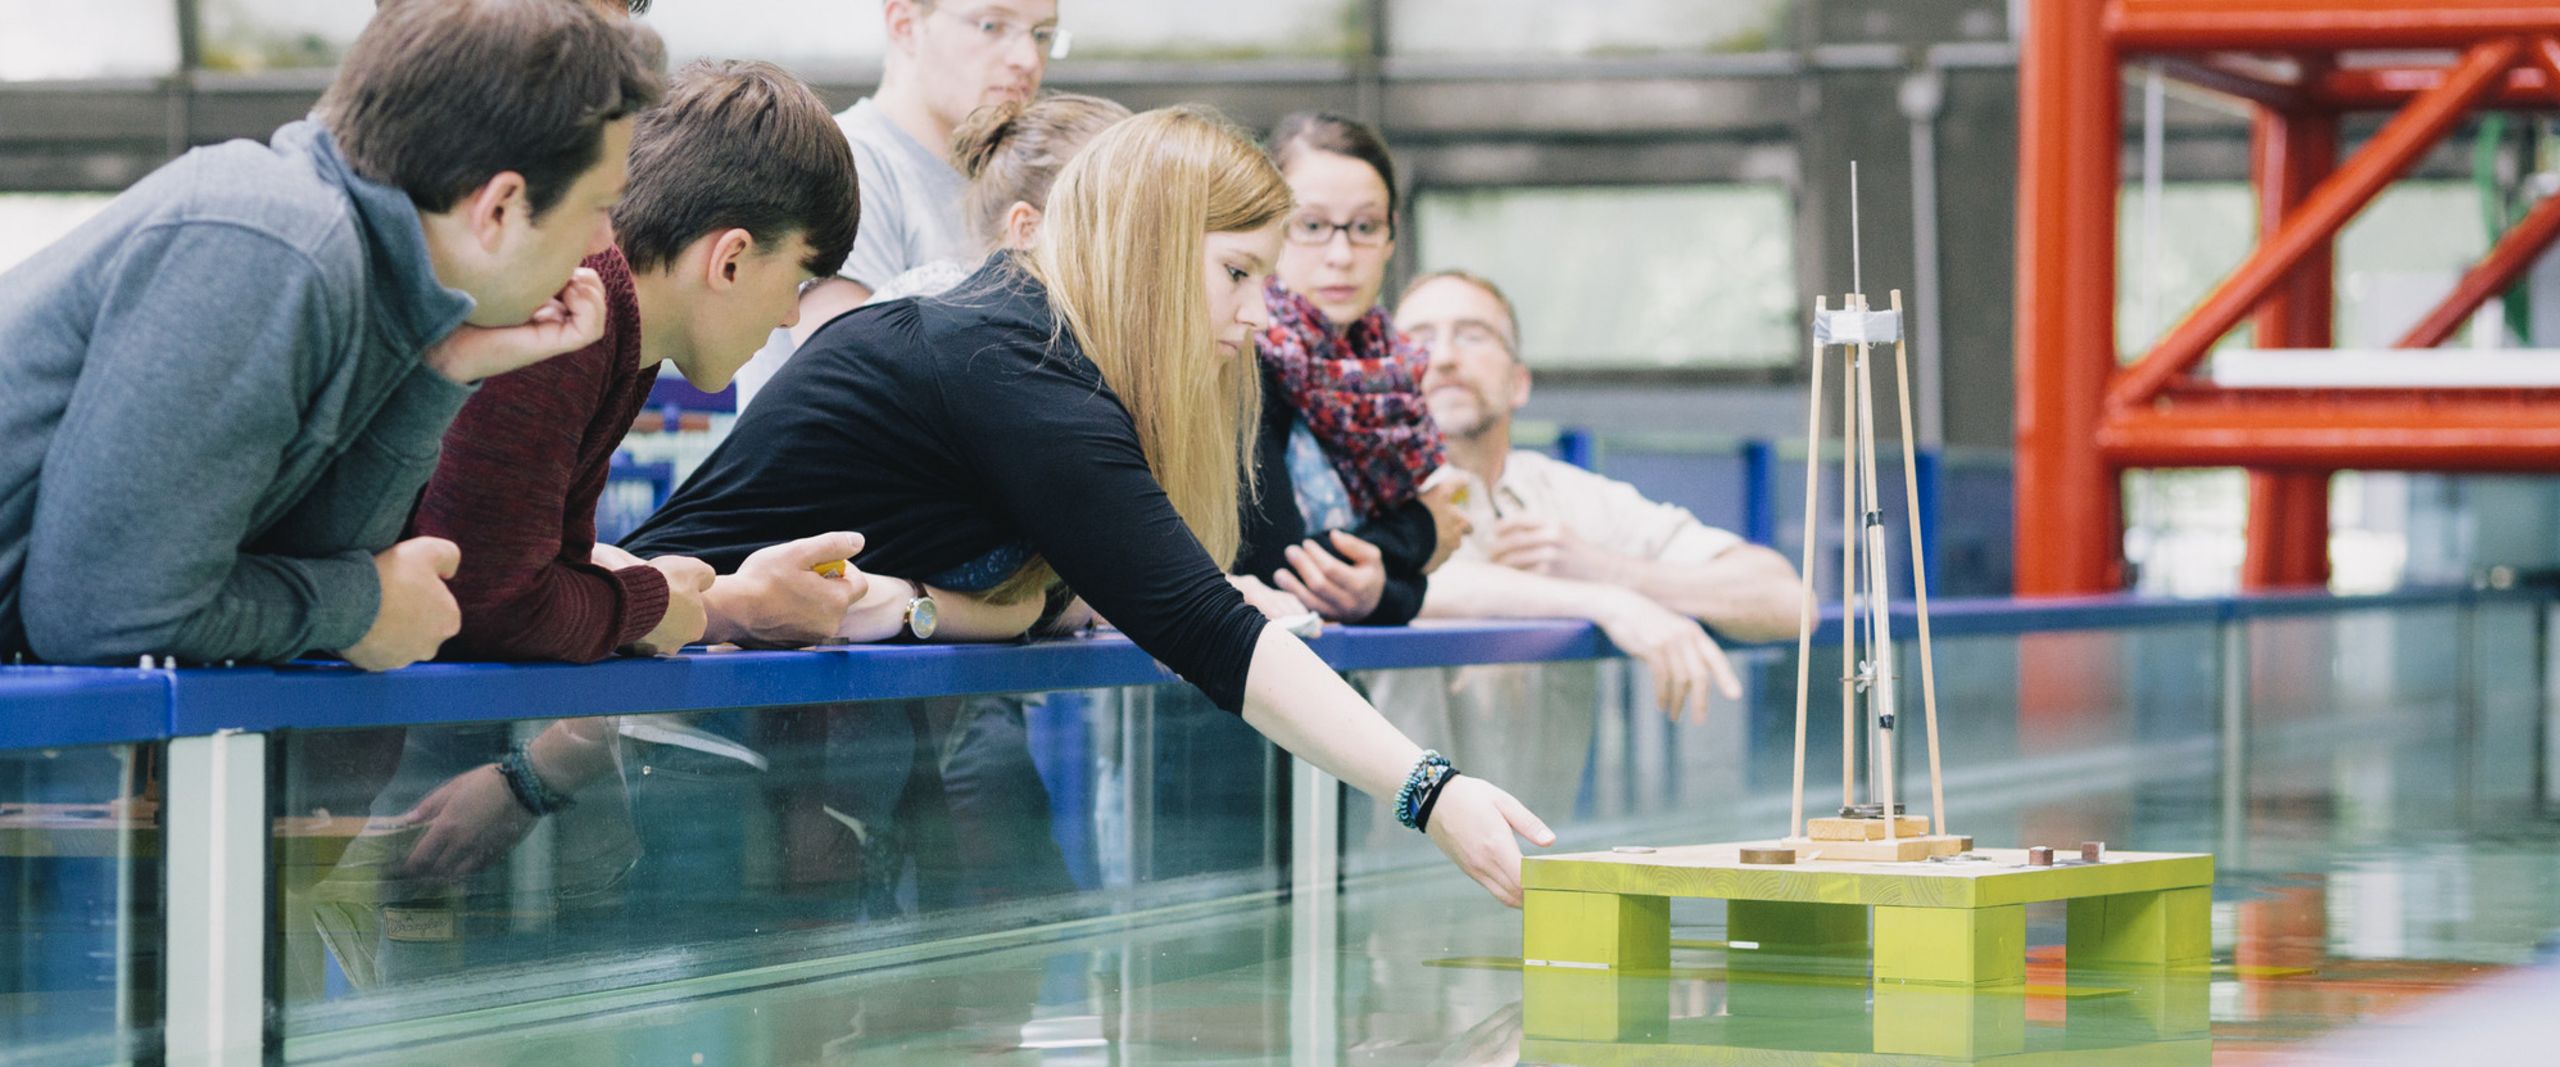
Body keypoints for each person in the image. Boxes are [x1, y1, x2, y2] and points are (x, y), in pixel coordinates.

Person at [623, 107, 1553, 907]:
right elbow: (1202, 627)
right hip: (665, 732)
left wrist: (940, 604)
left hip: (782, 748)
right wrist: (1431, 790)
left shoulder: (1048, 363)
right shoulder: (1011, 358)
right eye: (1236, 272)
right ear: (1148, 249)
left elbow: (1056, 601)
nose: (1262, 314)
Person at [0, 0, 663, 670]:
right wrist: (359, 607)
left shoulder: (353, 265)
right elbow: (103, 618)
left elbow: (294, 560)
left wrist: (442, 374)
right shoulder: (272, 246)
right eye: (600, 205)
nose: (603, 240)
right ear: (497, 208)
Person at [731, 0, 1062, 410]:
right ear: (904, 23)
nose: (1027, 59)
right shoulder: (844, 163)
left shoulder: (1003, 184)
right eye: (992, 25)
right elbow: (853, 384)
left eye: (1043, 34)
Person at [1244, 112, 1466, 627]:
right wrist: (1422, 531)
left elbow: (1371, 588)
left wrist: (1388, 587)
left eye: (1364, 227)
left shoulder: (1391, 379)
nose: (1341, 255)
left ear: (1390, 238)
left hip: (1332, 677)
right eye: (1313, 226)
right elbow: (1283, 569)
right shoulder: (1239, 358)